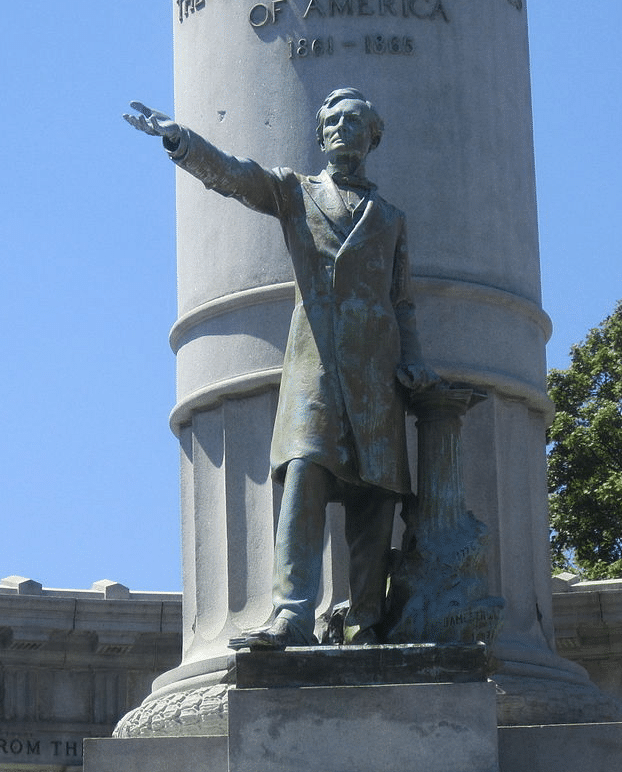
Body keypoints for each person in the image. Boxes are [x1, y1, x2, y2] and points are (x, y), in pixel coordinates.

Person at [126, 88, 435, 647]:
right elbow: (238, 178)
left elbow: (402, 300)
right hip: (315, 363)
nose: (343, 129)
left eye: (355, 122)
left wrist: (412, 362)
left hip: (376, 371)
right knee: (304, 480)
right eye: (333, 121)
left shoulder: (390, 218)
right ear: (320, 135)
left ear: (374, 136)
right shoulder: (297, 192)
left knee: (376, 497)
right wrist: (181, 141)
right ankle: (291, 614)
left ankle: (367, 621)